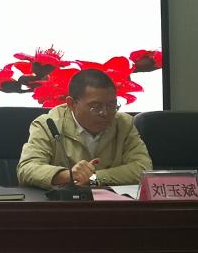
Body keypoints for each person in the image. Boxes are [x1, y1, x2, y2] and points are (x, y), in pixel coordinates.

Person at [17, 68, 152, 189]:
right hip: (63, 204)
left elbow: (143, 168)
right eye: (95, 107)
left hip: (112, 205)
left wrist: (93, 178)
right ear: (71, 104)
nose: (105, 113)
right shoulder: (49, 124)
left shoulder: (124, 123)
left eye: (112, 106)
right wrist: (68, 175)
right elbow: (26, 169)